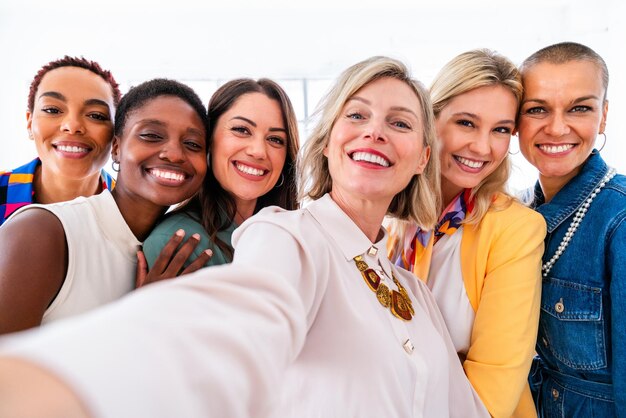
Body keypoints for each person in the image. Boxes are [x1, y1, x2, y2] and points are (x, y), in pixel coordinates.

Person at [0, 56, 490, 418]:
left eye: (399, 122)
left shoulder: (416, 292)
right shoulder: (280, 238)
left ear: (423, 157)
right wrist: (63, 384)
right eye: (357, 115)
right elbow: (241, 323)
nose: (376, 132)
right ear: (329, 140)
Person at [388, 49, 546, 417]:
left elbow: (493, 387)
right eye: (466, 123)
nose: (482, 147)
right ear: (431, 119)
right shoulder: (400, 222)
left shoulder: (514, 229)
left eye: (501, 130)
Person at [0, 79, 209, 334]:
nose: (175, 154)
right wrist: (139, 316)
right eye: (151, 136)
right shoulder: (42, 232)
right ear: (117, 148)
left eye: (193, 144)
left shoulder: (182, 250)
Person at [518, 42, 626, 417]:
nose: (557, 127)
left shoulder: (620, 220)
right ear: (516, 121)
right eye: (537, 109)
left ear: (604, 116)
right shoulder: (520, 214)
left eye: (580, 108)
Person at [140, 78, 299, 278]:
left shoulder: (291, 235)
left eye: (275, 139)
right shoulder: (176, 241)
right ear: (209, 139)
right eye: (241, 130)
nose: (258, 151)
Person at [0, 56, 121, 226]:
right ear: (29, 122)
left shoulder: (131, 215)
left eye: (96, 115)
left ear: (117, 133)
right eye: (52, 110)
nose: (72, 126)